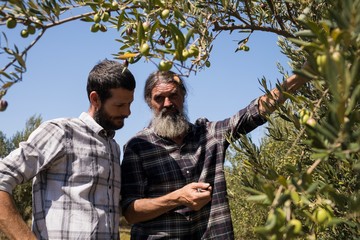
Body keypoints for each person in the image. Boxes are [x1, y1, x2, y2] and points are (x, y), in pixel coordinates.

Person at [120, 69, 310, 239]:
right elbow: (130, 212)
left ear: (183, 96)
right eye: (159, 98)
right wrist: (178, 198)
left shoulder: (209, 134)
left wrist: (304, 74)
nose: (168, 103)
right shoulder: (138, 147)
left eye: (173, 95)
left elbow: (255, 111)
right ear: (149, 102)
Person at [0, 59, 136, 239]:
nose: (128, 112)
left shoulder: (114, 147)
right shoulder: (61, 132)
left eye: (130, 104)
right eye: (119, 105)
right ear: (95, 99)